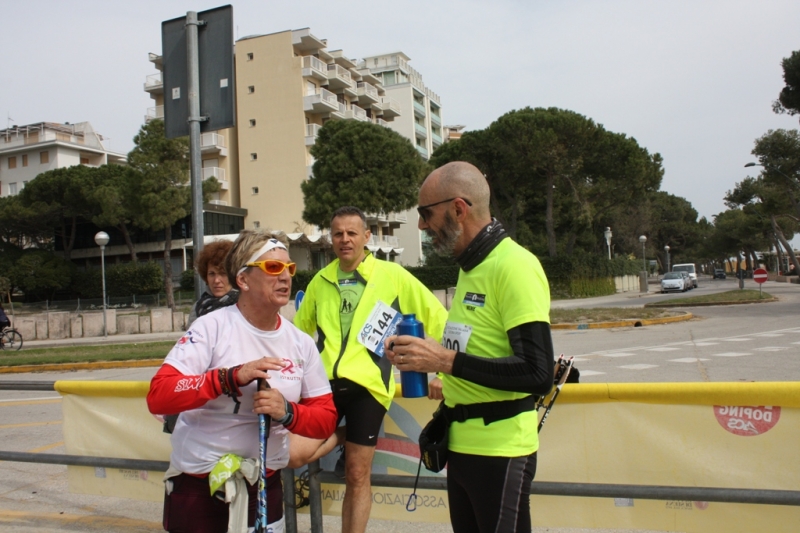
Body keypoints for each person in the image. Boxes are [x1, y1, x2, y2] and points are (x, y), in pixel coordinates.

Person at [385, 161, 555, 533]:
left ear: (458, 209)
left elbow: (539, 373)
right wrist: (425, 356)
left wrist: (444, 360)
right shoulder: (469, 267)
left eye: (425, 213)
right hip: (462, 446)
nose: (421, 225)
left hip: (500, 449)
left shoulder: (514, 266)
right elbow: (477, 351)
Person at [147, 230, 337, 533]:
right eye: (273, 268)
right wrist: (228, 378)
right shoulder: (211, 327)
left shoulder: (300, 342)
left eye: (289, 268)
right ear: (243, 280)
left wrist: (288, 411)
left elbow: (325, 418)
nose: (286, 277)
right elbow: (159, 394)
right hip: (200, 488)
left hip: (264, 485)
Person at [292, 206, 448, 533]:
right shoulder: (320, 281)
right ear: (330, 239)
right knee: (296, 454)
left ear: (367, 237)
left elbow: (440, 320)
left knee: (357, 474)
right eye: (338, 234)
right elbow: (298, 336)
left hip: (368, 389)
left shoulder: (393, 276)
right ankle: (352, 436)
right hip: (325, 387)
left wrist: (443, 372)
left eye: (352, 233)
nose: (345, 240)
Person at [186, 240, 239, 328]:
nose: (216, 280)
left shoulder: (244, 304)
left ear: (234, 274)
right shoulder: (199, 307)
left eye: (223, 273)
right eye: (211, 274)